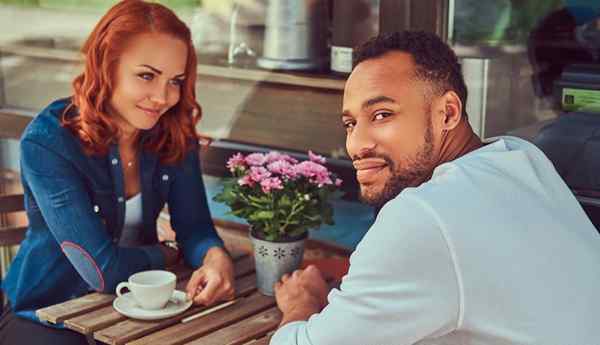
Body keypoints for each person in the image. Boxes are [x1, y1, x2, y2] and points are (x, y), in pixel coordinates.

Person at [271, 31, 600, 345]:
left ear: (448, 113)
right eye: (351, 124)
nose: (356, 144)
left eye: (382, 114)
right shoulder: (519, 157)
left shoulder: (424, 215)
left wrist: (302, 304)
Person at [0, 1, 235, 344]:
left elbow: (195, 227)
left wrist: (216, 258)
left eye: (176, 81)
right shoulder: (48, 142)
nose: (162, 97)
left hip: (141, 307)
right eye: (146, 75)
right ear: (106, 67)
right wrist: (168, 252)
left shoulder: (170, 131)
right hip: (47, 314)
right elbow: (102, 270)